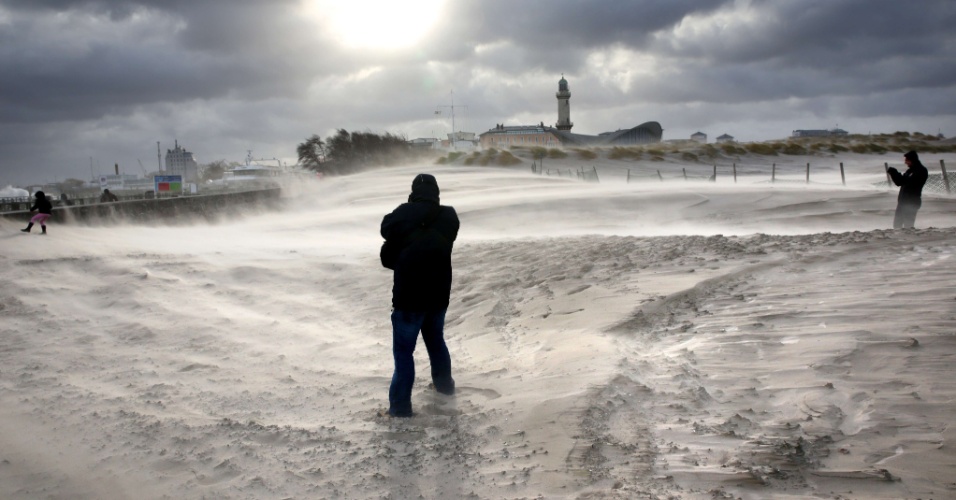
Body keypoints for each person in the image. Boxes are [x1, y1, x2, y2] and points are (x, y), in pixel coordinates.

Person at [380, 174, 460, 417]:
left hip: (408, 296)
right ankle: (445, 388)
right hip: (438, 293)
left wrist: (409, 210)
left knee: (404, 353)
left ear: (414, 191)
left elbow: (386, 228)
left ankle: (400, 408)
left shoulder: (403, 212)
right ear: (436, 192)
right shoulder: (449, 216)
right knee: (436, 342)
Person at [887, 150, 929, 229]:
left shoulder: (921, 170)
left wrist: (896, 174)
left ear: (912, 160)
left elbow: (910, 182)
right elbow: (899, 182)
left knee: (908, 225)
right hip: (903, 202)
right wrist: (893, 173)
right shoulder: (910, 171)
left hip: (912, 202)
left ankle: (909, 240)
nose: (905, 162)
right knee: (897, 225)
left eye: (906, 160)